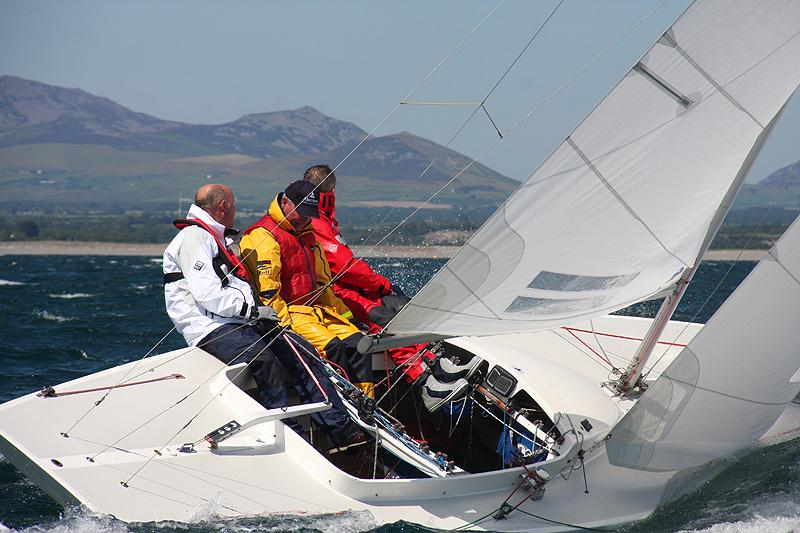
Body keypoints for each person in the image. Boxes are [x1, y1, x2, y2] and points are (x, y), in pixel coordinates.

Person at [163, 183, 364, 447]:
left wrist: (256, 314)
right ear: (223, 206)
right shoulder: (195, 238)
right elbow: (207, 293)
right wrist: (252, 310)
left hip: (238, 321)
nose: (235, 211)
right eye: (233, 206)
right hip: (210, 327)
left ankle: (340, 428)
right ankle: (290, 434)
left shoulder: (214, 236)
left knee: (302, 350)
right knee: (264, 359)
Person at [302, 165, 483, 412]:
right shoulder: (317, 224)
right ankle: (424, 383)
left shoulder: (325, 223)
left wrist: (381, 287)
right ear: (329, 194)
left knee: (404, 307)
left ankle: (435, 363)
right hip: (335, 298)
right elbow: (345, 267)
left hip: (348, 292)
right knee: (383, 317)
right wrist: (381, 283)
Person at [239, 180, 375, 399]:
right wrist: (284, 327)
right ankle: (341, 406)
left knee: (359, 344)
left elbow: (324, 285)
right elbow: (268, 293)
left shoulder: (308, 234)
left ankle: (367, 404)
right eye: (301, 212)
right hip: (290, 314)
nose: (304, 218)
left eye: (308, 213)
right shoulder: (263, 236)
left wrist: (346, 316)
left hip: (316, 311)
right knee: (333, 347)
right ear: (285, 202)